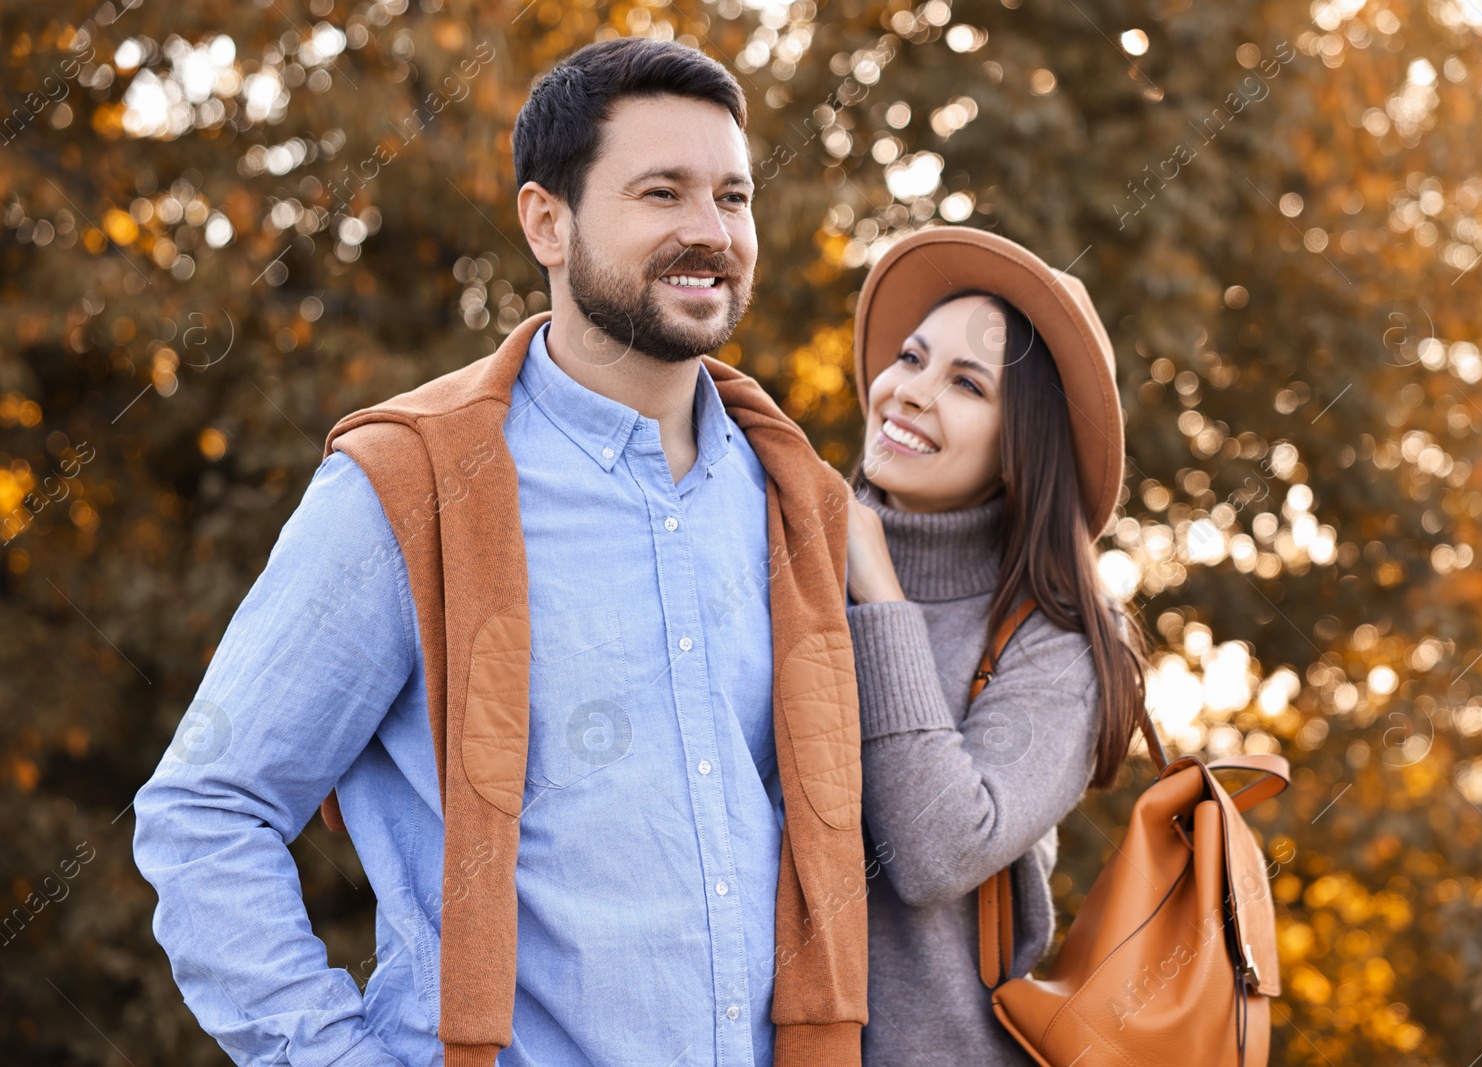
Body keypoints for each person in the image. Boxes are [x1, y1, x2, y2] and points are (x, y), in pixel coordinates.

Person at [133, 38, 869, 1067]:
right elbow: (207, 805)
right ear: (546, 222)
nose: (711, 233)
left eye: (734, 197)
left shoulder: (794, 500)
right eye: (662, 193)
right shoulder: (414, 486)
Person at [842, 227, 1150, 1066]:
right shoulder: (783, 553)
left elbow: (936, 851)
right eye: (910, 357)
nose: (910, 391)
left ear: (1022, 450)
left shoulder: (1063, 644)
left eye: (965, 384)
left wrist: (880, 597)